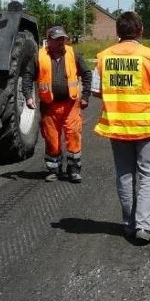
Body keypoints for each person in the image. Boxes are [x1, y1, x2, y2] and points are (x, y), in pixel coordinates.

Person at [92, 11, 150, 244]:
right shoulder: (149, 57)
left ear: (117, 32)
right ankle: (144, 227)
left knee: (125, 175)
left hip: (117, 127)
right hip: (146, 127)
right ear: (140, 31)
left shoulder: (104, 57)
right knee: (149, 175)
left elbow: (97, 90)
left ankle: (129, 225)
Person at [23, 25, 92, 183]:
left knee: (73, 135)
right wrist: (28, 96)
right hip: (49, 107)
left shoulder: (73, 54)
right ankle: (54, 169)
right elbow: (27, 77)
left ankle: (74, 169)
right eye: (58, 39)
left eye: (63, 39)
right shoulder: (38, 57)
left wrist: (86, 96)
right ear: (50, 41)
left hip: (71, 105)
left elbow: (87, 74)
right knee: (51, 139)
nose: (61, 42)